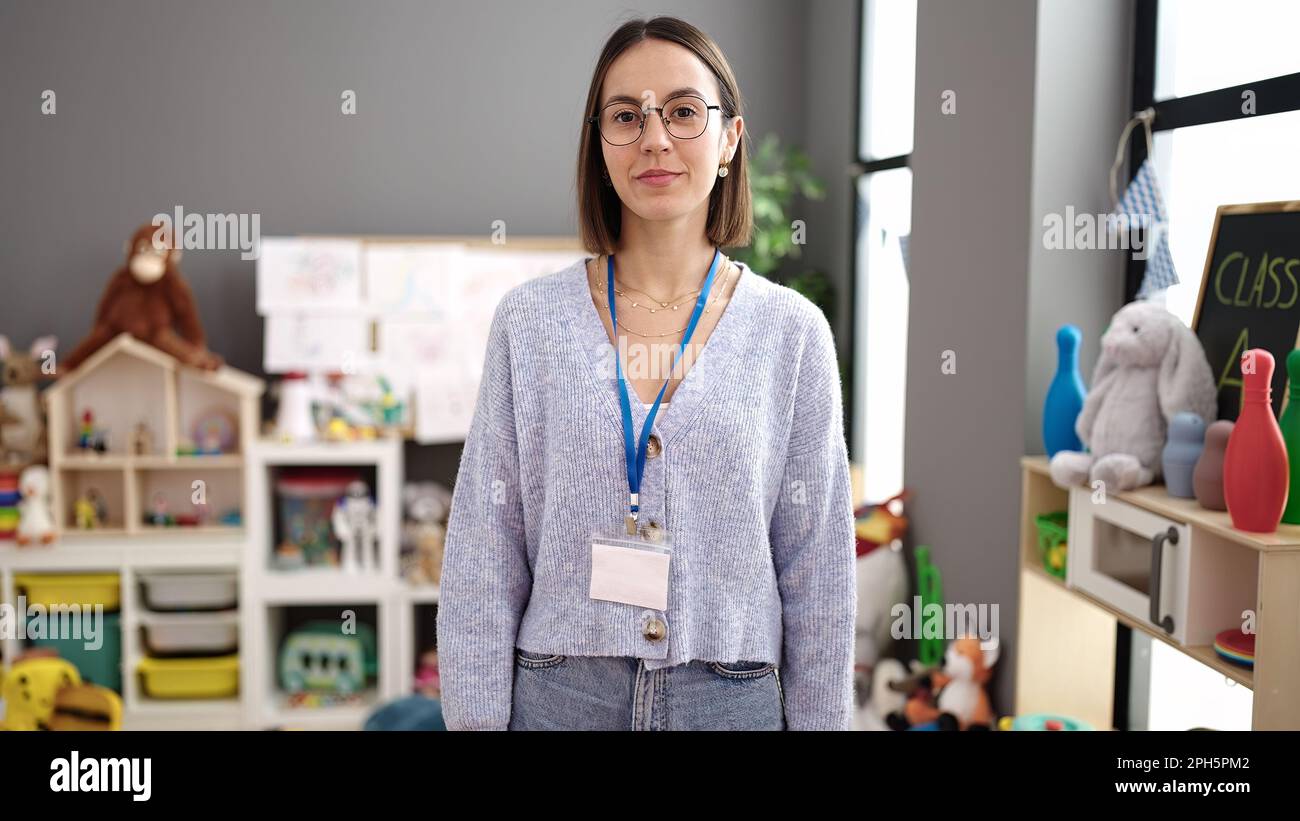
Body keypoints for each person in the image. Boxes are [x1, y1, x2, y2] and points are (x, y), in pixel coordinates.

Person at [436, 15, 856, 731]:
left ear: (729, 141)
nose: (655, 137)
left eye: (685, 112)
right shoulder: (530, 323)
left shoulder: (792, 334)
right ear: (600, 146)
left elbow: (819, 572)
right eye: (626, 116)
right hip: (561, 692)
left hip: (731, 696)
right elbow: (483, 551)